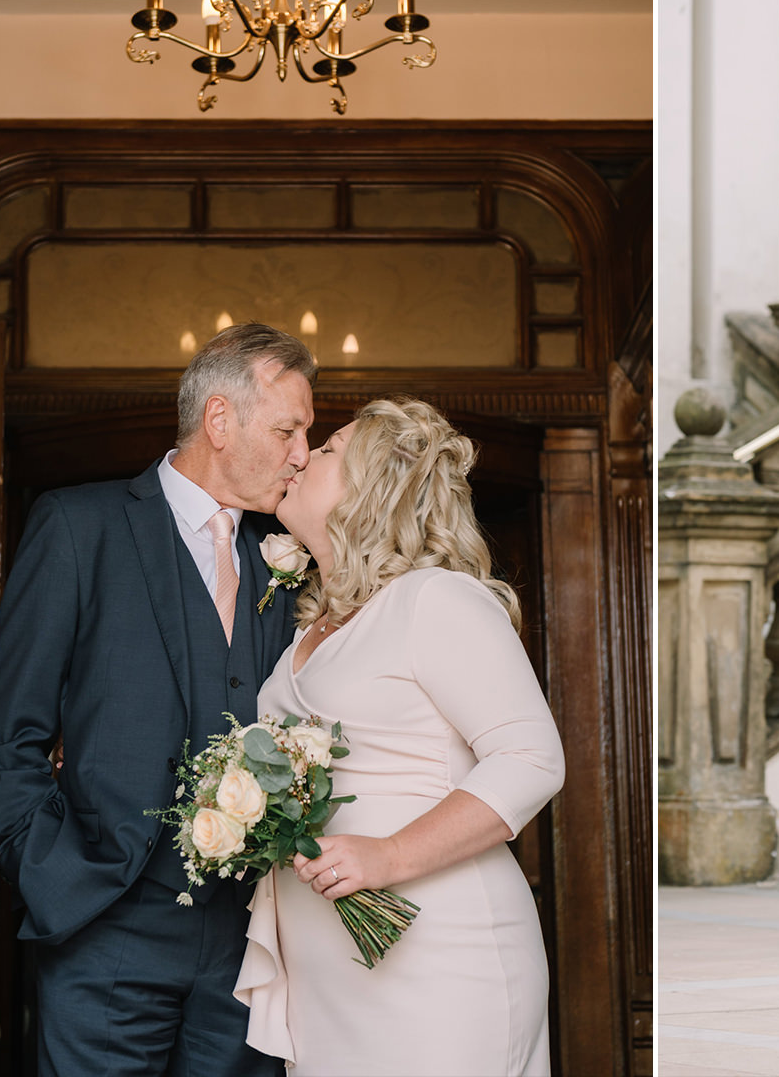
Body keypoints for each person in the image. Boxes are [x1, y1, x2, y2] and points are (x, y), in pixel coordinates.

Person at [0, 323, 317, 1075]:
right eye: (288, 429)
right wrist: (49, 868)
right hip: (106, 925)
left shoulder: (285, 553)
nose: (301, 454)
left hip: (251, 943)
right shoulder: (78, 525)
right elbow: (8, 736)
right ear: (219, 420)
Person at [234, 396, 565, 1076]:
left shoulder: (435, 599)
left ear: (372, 486)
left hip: (439, 956)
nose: (300, 456)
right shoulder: (308, 625)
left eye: (325, 450)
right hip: (330, 970)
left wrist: (388, 855)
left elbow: (531, 759)